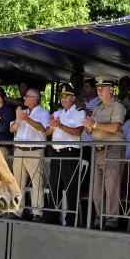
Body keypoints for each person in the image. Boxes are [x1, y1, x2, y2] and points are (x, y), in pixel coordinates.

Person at [82, 78, 126, 230]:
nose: (99, 90)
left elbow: (114, 128)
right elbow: (91, 131)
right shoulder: (97, 108)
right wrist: (88, 125)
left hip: (113, 149)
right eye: (98, 87)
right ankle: (99, 218)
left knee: (111, 188)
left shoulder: (118, 106)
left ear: (112, 90)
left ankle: (112, 221)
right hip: (98, 149)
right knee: (96, 190)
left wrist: (93, 124)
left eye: (103, 87)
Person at [9, 88, 50, 221]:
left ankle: (37, 212)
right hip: (19, 150)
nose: (24, 98)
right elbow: (12, 129)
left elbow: (43, 128)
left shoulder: (43, 112)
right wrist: (18, 119)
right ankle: (18, 211)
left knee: (37, 183)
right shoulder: (23, 112)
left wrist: (26, 118)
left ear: (35, 99)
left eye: (27, 96)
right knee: (18, 182)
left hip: (35, 150)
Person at [47, 87, 84, 225]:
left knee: (70, 187)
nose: (63, 98)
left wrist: (60, 125)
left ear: (73, 98)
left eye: (66, 96)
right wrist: (51, 126)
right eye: (61, 96)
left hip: (70, 153)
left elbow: (77, 132)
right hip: (57, 153)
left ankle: (70, 220)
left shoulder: (79, 113)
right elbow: (48, 132)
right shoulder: (57, 113)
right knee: (54, 186)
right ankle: (52, 217)